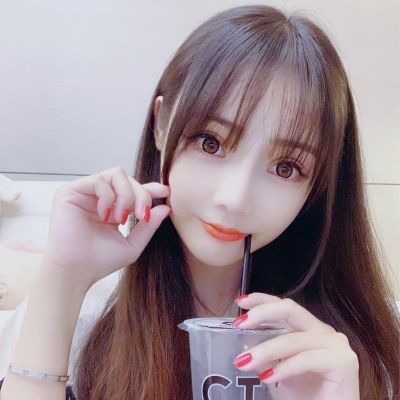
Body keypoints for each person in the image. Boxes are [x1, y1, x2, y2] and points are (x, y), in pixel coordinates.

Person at [1, 5, 399, 400]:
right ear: (161, 124)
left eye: (286, 168)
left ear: (320, 185)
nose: (234, 199)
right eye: (211, 143)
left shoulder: (359, 352)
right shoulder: (85, 313)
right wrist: (63, 279)